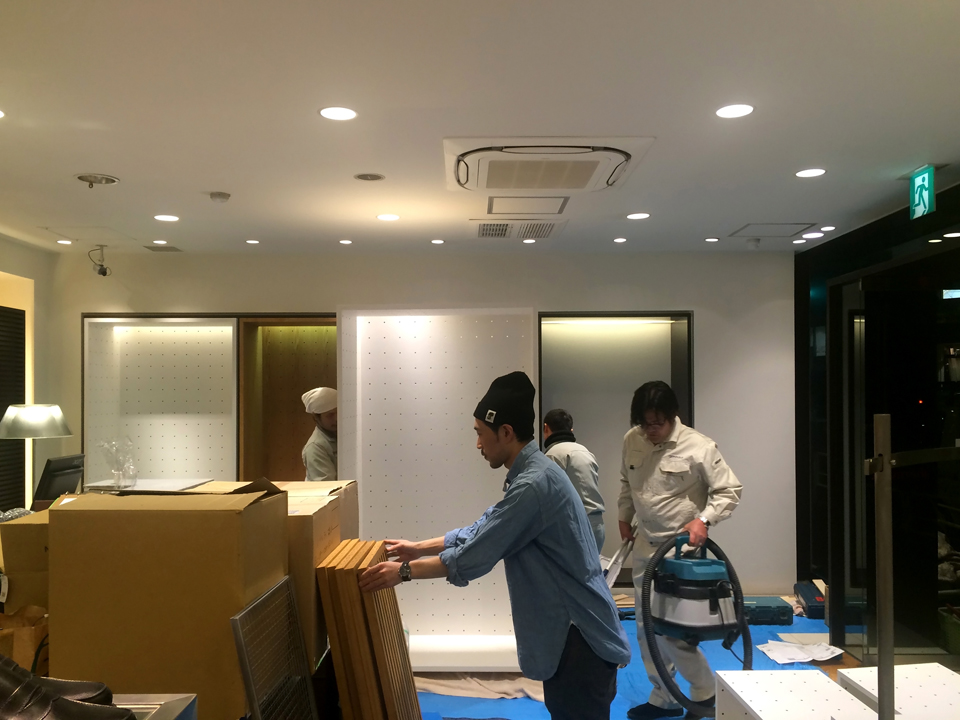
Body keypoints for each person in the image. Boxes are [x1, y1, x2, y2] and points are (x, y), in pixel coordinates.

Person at [359, 371, 631, 720]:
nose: (477, 444)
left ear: (505, 432)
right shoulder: (532, 475)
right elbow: (484, 528)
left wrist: (403, 573)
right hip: (573, 636)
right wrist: (418, 547)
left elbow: (476, 554)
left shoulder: (533, 485)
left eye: (480, 433)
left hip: (578, 639)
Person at [618, 381, 742, 720]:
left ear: (672, 416)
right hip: (645, 545)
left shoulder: (699, 446)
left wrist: (704, 519)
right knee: (646, 627)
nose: (650, 430)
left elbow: (729, 490)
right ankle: (665, 697)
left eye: (657, 423)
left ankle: (704, 692)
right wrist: (624, 516)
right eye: (644, 423)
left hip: (681, 551)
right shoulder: (633, 440)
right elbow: (627, 482)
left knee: (672, 629)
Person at [543, 408, 606, 554]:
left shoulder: (552, 455)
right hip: (597, 526)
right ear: (571, 430)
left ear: (546, 428)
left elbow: (547, 499)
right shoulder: (586, 452)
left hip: (573, 528)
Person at [301, 387, 337, 482]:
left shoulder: (341, 436)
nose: (337, 418)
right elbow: (326, 486)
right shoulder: (316, 447)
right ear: (316, 418)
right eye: (330, 415)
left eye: (339, 412)